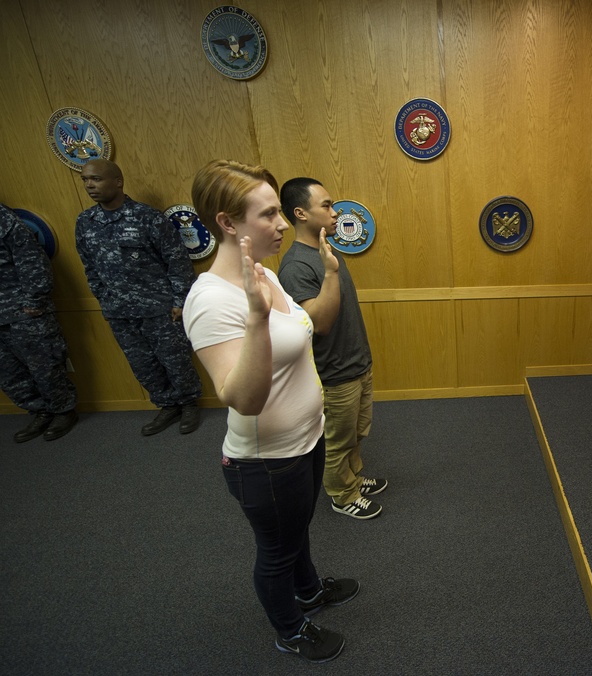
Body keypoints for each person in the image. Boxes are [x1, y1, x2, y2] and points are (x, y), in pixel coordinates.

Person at [184, 159, 359, 663]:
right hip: (265, 461)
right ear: (226, 222)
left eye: (280, 213)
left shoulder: (264, 274)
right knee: (277, 550)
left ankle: (308, 590)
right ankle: (289, 628)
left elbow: (306, 329)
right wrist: (257, 320)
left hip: (306, 440)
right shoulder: (211, 298)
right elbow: (242, 398)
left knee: (299, 528)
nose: (282, 224)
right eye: (267, 216)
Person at [278, 178, 385, 520]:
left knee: (357, 429)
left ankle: (352, 477)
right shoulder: (297, 265)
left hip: (356, 363)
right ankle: (342, 494)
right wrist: (328, 272)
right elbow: (319, 324)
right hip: (334, 372)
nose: (335, 211)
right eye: (325, 205)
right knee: (337, 440)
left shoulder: (326, 250)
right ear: (301, 214)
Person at [75, 159, 201, 435]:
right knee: (142, 364)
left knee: (176, 359)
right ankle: (166, 405)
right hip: (118, 311)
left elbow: (176, 261)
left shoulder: (148, 217)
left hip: (159, 308)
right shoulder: (85, 222)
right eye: (85, 180)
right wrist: (103, 297)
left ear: (117, 182)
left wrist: (180, 301)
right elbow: (89, 266)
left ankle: (190, 404)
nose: (89, 185)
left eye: (95, 179)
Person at [0, 204, 78, 442]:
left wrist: (33, 302)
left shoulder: (5, 220)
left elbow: (32, 260)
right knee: (8, 373)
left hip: (21, 310)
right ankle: (39, 411)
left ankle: (63, 410)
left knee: (45, 364)